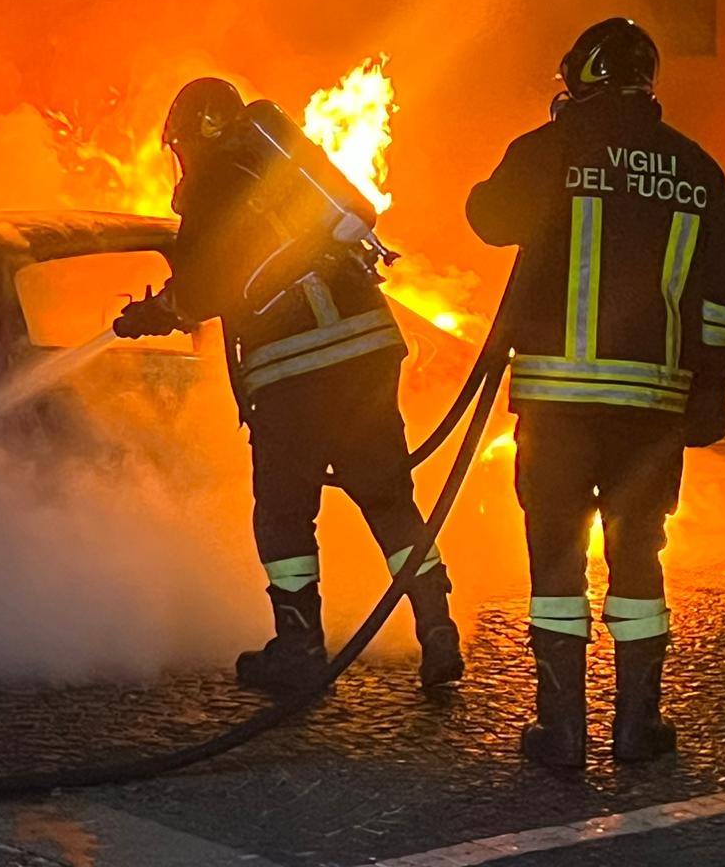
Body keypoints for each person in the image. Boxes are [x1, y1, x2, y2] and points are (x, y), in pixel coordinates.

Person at [114, 78, 464, 694]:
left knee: (284, 513)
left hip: (292, 372)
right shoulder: (285, 169)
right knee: (387, 498)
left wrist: (156, 313)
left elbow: (204, 288)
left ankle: (300, 648)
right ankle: (436, 625)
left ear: (195, 136)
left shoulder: (211, 187)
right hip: (366, 349)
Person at [467, 17, 725, 766]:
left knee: (557, 556)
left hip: (557, 406)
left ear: (581, 78)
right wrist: (710, 389)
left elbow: (487, 218)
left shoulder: (553, 148)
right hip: (652, 410)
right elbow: (721, 295)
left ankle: (559, 733)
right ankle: (636, 727)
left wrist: (545, 148)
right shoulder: (696, 169)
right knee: (638, 557)